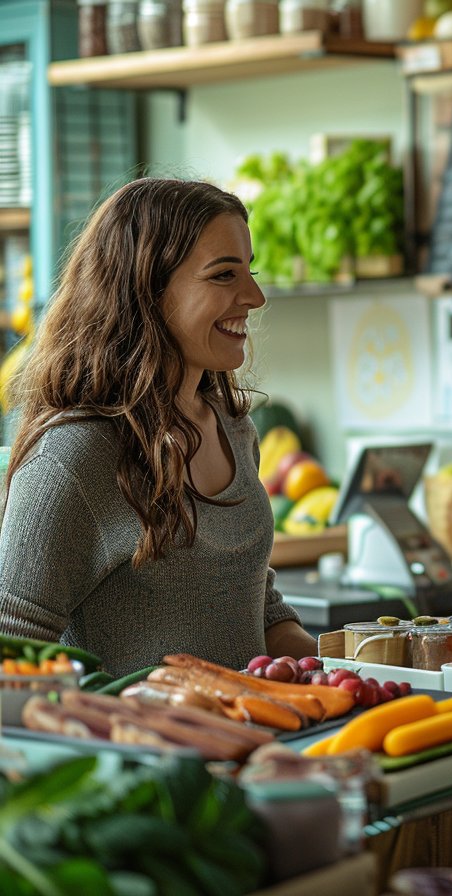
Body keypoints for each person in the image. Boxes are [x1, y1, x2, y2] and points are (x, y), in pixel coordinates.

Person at [0, 177, 316, 676]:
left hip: (255, 745)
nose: (254, 296)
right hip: (134, 752)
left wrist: (356, 669)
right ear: (148, 290)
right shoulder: (72, 456)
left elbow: (254, 604)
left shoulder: (233, 427)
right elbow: (10, 652)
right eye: (223, 276)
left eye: (249, 271)